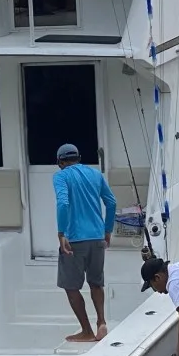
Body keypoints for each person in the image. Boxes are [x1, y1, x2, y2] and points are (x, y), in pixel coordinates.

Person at [54, 142, 117, 342]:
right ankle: (101, 322)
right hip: (97, 237)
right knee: (96, 283)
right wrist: (107, 230)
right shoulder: (96, 174)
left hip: (74, 240)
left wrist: (62, 233)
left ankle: (87, 331)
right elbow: (111, 202)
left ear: (60, 162)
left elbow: (63, 203)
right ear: (79, 158)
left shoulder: (61, 176)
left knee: (71, 287)